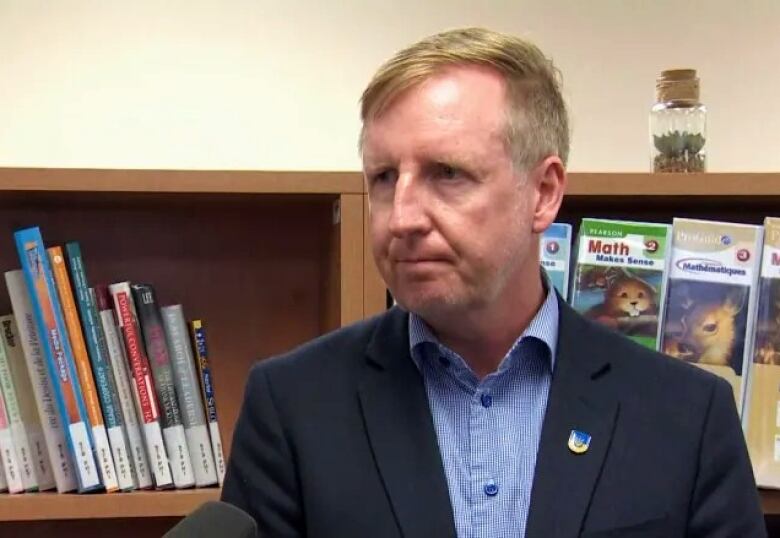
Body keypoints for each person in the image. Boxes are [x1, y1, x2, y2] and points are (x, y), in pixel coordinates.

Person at [222, 27, 766, 537]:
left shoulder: (688, 415)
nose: (402, 216)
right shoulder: (293, 407)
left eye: (448, 174)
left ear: (544, 193)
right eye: (384, 177)